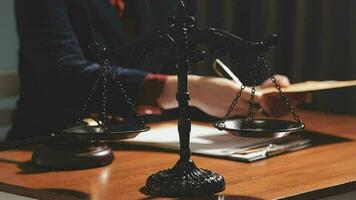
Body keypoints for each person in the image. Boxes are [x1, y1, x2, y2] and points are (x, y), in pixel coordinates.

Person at [8, 0, 299, 140]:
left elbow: (175, 74)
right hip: (51, 148)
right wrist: (186, 89)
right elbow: (65, 77)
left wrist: (251, 100)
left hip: (140, 149)